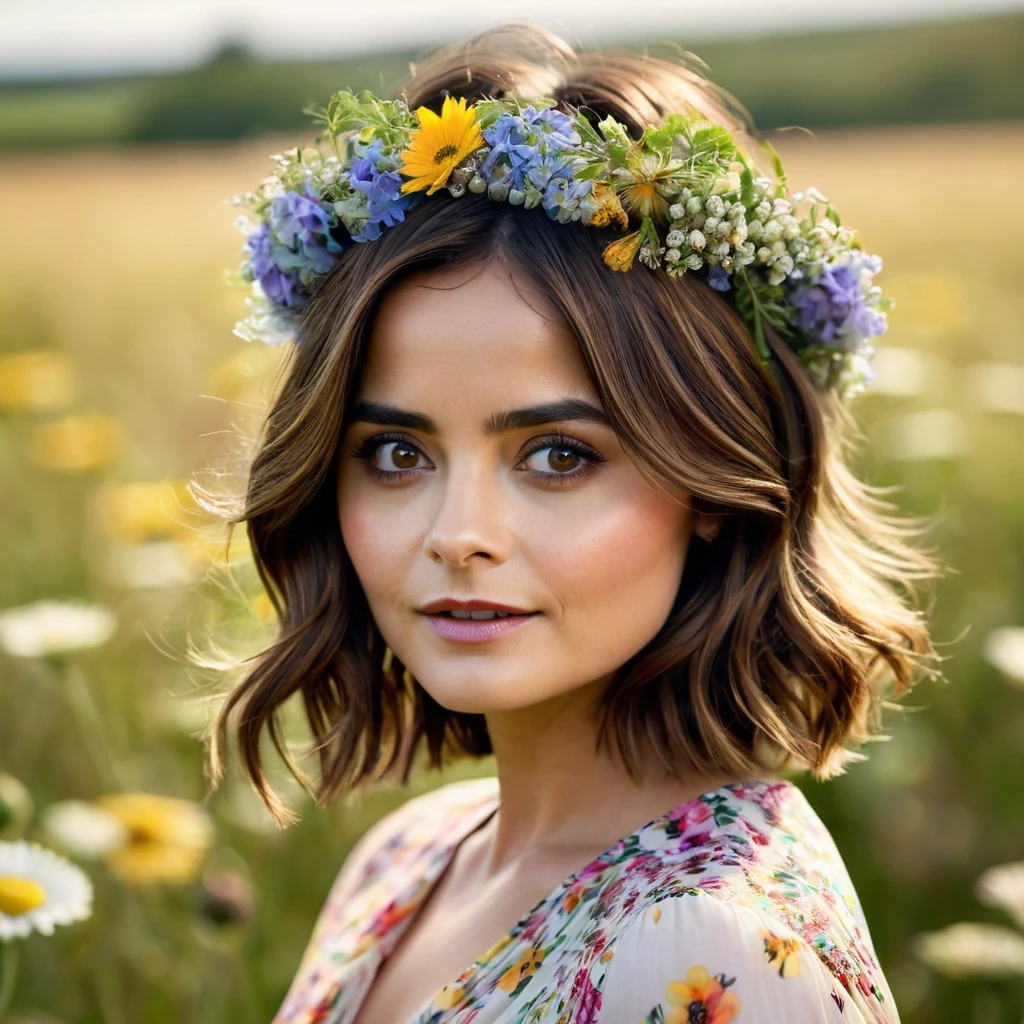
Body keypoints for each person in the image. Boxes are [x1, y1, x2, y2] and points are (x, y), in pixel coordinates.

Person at [202, 21, 940, 1024]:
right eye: (395, 453)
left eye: (558, 455)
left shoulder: (704, 949)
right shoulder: (413, 854)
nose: (457, 533)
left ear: (718, 489)